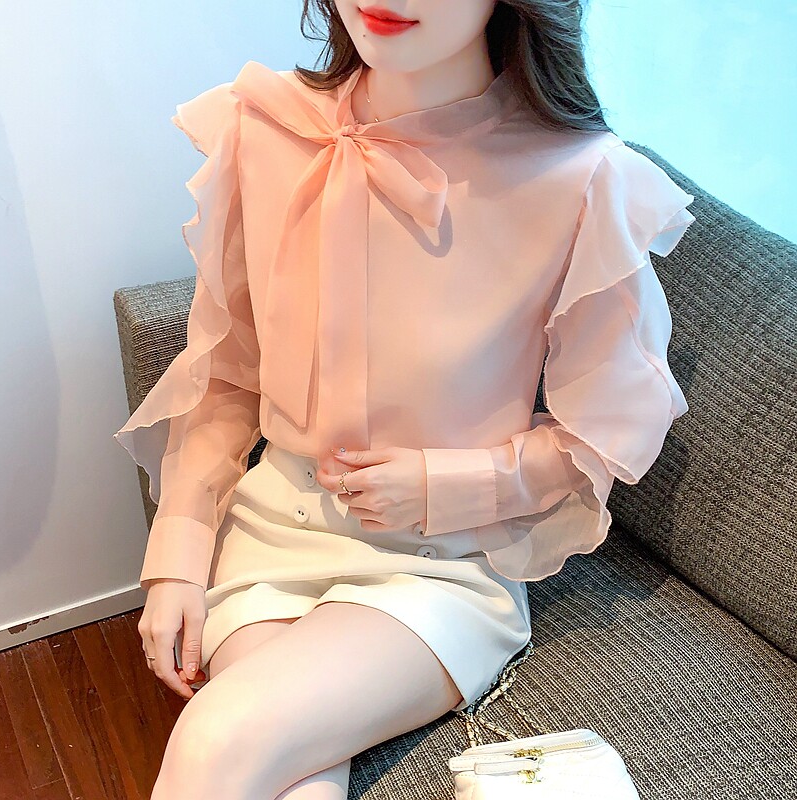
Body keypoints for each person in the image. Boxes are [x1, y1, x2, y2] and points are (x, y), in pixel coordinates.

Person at [113, 1, 695, 797]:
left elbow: (605, 433)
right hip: (269, 536)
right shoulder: (265, 125)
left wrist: (440, 485)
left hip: (440, 564)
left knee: (217, 740)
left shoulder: (581, 177)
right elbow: (226, 373)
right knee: (295, 783)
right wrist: (178, 556)